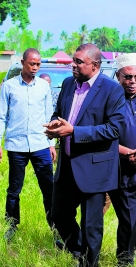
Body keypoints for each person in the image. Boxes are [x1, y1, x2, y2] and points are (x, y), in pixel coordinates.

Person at [44, 43, 125, 267]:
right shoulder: (69, 83)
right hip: (67, 164)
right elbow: (60, 112)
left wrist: (74, 131)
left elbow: (114, 129)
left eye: (79, 62)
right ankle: (80, 253)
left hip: (94, 168)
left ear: (95, 65)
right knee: (58, 215)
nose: (73, 65)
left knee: (91, 225)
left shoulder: (111, 89)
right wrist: (55, 124)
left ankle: (89, 263)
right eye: (74, 60)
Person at [0, 48, 56, 242]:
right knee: (14, 189)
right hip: (16, 146)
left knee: (49, 189)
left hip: (40, 145)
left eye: (38, 64)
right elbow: (1, 116)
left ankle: (56, 228)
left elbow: (48, 117)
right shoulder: (9, 86)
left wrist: (51, 143)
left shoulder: (44, 87)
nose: (35, 67)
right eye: (32, 63)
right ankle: (12, 225)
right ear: (23, 62)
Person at [106, 53, 136, 266]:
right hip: (120, 170)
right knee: (129, 219)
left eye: (135, 77)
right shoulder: (111, 101)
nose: (132, 81)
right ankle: (124, 260)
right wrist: (128, 153)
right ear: (118, 76)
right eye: (127, 77)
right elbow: (103, 136)